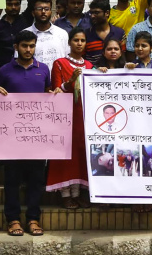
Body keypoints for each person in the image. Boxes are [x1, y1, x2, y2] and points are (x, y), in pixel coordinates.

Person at [0, 30, 55, 236]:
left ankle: (33, 219)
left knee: (37, 179)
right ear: (16, 47)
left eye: (32, 46)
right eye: (25, 46)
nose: (28, 50)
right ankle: (13, 220)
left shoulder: (44, 69)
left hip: (37, 135)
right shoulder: (4, 70)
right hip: (12, 136)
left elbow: (48, 94)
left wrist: (54, 95)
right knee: (12, 179)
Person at [47, 29, 91, 209]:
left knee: (80, 153)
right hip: (65, 114)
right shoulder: (59, 63)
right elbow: (57, 90)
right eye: (76, 40)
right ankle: (65, 194)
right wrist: (71, 80)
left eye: (82, 40)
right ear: (69, 42)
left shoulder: (89, 66)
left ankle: (78, 192)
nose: (79, 43)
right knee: (65, 153)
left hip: (83, 115)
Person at [23, 0, 69, 71]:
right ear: (33, 13)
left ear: (51, 12)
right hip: (33, 80)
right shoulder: (24, 34)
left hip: (58, 81)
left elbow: (68, 60)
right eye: (39, 9)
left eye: (47, 9)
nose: (43, 12)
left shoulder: (62, 34)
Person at [0, 0, 31, 73]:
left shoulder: (26, 20)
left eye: (16, 4)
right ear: (4, 5)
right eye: (9, 4)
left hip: (24, 71)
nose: (13, 7)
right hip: (2, 73)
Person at [84, 0, 125, 65]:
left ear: (107, 13)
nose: (92, 16)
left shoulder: (120, 33)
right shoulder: (85, 34)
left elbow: (123, 57)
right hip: (92, 74)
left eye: (96, 13)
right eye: (91, 13)